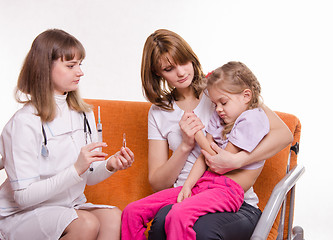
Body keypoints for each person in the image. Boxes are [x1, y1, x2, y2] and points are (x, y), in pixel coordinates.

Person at [125, 29, 293, 240]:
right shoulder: (159, 112)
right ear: (157, 72)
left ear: (191, 57)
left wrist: (238, 159)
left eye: (183, 61)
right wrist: (186, 145)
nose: (181, 72)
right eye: (169, 68)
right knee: (160, 225)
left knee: (200, 230)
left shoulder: (217, 89)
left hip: (234, 200)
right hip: (187, 194)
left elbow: (283, 134)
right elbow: (158, 183)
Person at [0, 29, 134, 240]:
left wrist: (111, 164)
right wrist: (76, 168)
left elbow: (89, 176)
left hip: (67, 206)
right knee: (86, 224)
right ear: (45, 68)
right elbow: (23, 197)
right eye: (70, 66)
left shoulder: (84, 114)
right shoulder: (24, 122)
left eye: (80, 64)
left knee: (113, 217)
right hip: (23, 213)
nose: (80, 72)